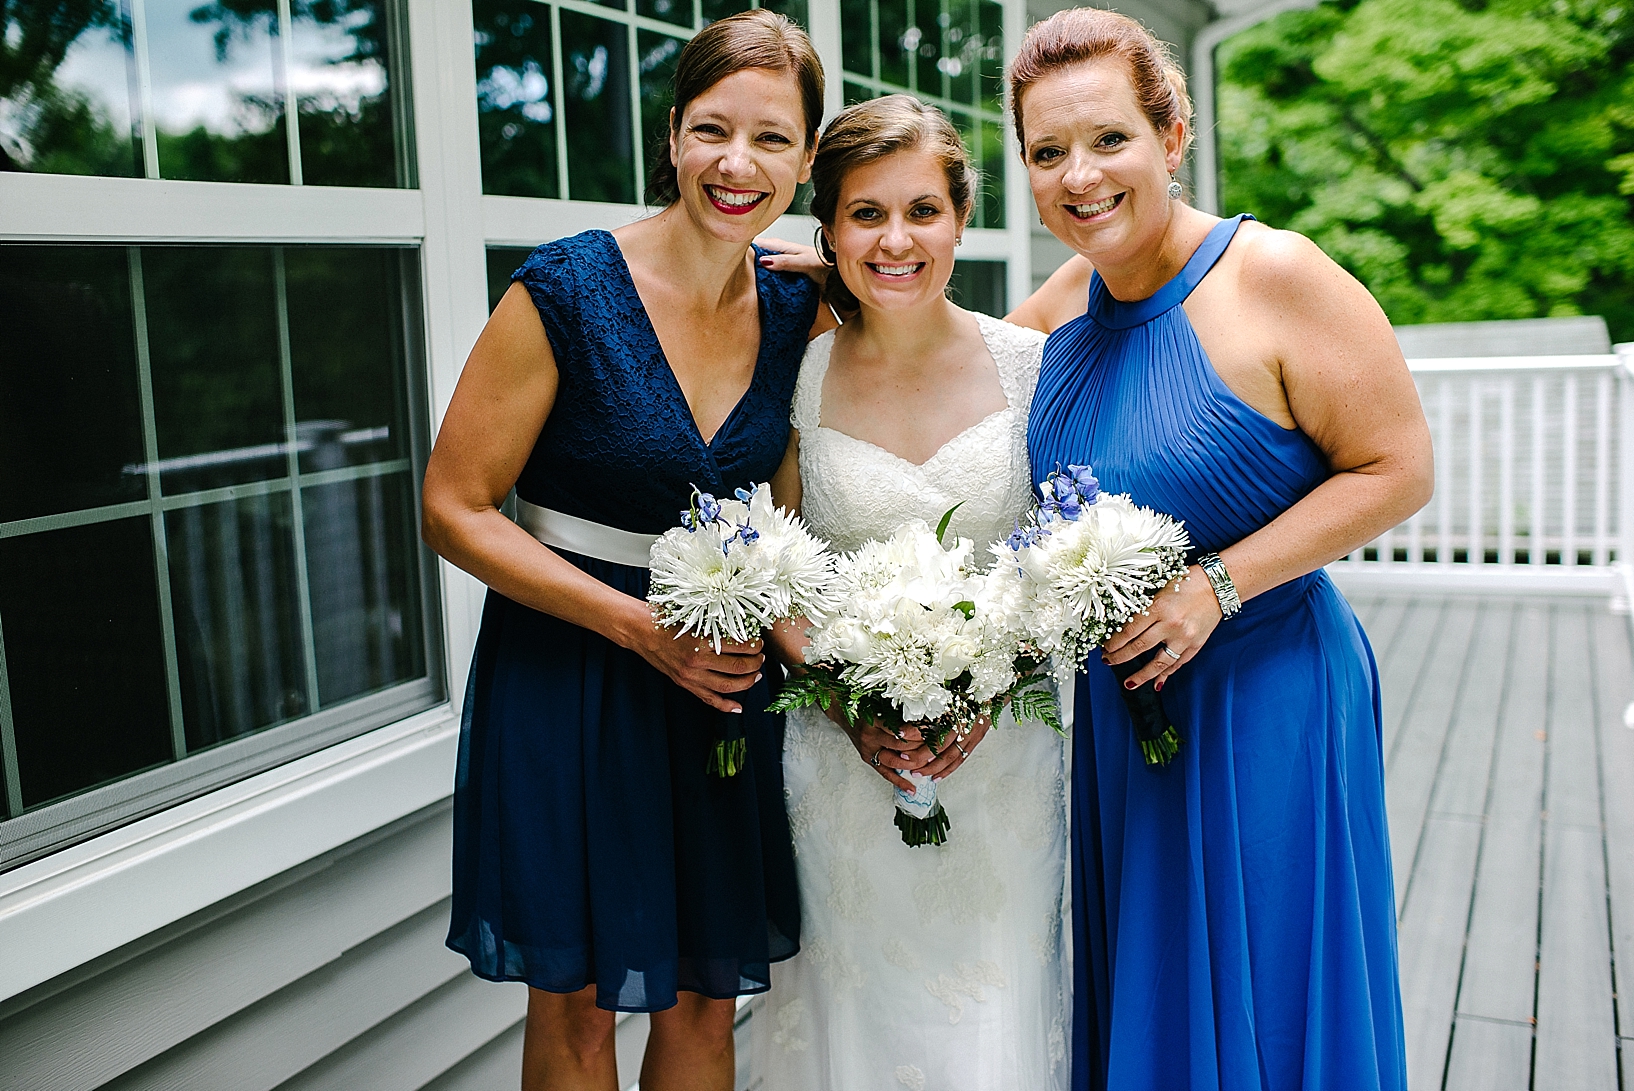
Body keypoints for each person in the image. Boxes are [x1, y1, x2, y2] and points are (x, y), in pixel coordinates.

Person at [1011, 9, 1432, 1091]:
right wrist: (820, 285)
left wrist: (1218, 582)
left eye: (1108, 139)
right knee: (1152, 990)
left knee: (1272, 987)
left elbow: (1396, 469)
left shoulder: (1277, 275)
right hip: (1120, 707)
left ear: (1173, 132)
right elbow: (928, 371)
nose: (1079, 175)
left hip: (1263, 702)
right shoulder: (1060, 306)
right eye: (1047, 152)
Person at [420, 12, 829, 1090]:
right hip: (573, 671)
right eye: (712, 130)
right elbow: (453, 506)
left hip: (719, 688)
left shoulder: (797, 305)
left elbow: (909, 384)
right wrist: (643, 629)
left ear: (805, 157)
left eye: (771, 139)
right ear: (672, 135)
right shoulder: (564, 290)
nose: (736, 164)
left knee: (704, 994)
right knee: (580, 1004)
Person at [750, 94, 1070, 1091]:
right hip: (843, 764)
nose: (895, 239)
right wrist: (845, 698)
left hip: (1007, 760)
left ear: (961, 217)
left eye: (921, 210)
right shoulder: (793, 379)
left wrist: (998, 672)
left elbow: (1058, 556)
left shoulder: (1031, 366)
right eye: (865, 214)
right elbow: (775, 566)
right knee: (855, 1022)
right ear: (829, 227)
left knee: (993, 1020)